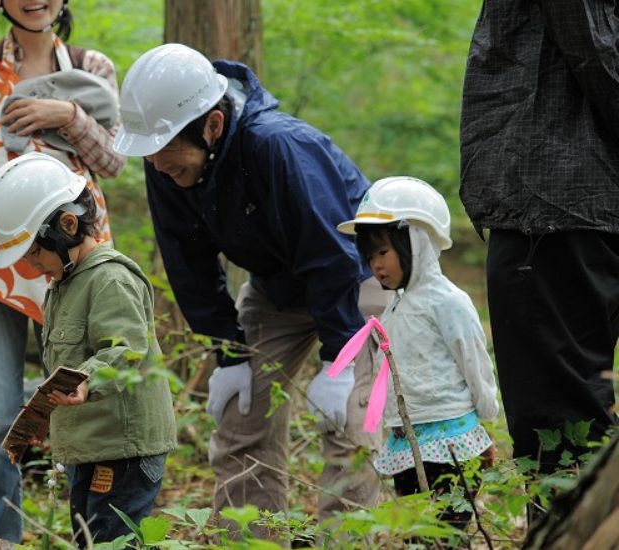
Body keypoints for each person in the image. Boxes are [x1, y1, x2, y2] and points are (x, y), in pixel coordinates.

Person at [112, 43, 391, 527]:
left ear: (212, 125)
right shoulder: (163, 157)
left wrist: (338, 355)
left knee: (350, 424)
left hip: (354, 276)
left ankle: (346, 539)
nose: (159, 168)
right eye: (153, 158)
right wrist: (229, 351)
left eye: (169, 158)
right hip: (276, 287)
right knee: (241, 421)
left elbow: (331, 254)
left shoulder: (278, 145)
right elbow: (187, 261)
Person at [0, 0, 125, 540]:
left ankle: (98, 534)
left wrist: (69, 117)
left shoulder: (92, 67)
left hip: (71, 262)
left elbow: (114, 161)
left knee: (85, 407)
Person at [0, 152, 177, 547]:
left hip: (123, 449)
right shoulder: (64, 285)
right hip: (91, 447)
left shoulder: (110, 279)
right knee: (90, 537)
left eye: (35, 252)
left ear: (67, 225)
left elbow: (127, 352)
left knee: (112, 540)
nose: (32, 266)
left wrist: (89, 380)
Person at [460, 0, 619, 475]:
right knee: (563, 429)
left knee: (564, 431)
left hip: (558, 205)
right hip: (558, 205)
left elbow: (598, 51)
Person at [337, 176, 500, 530]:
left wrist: (486, 415)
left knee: (449, 528)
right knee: (416, 530)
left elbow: (472, 358)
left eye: (382, 252)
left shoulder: (447, 302)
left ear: (416, 240)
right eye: (369, 257)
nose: (375, 265)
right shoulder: (394, 308)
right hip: (405, 439)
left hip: (451, 434)